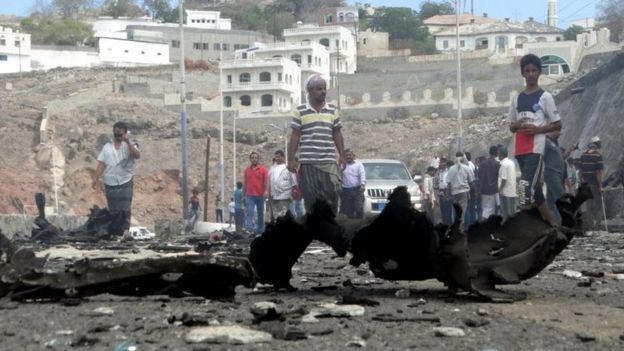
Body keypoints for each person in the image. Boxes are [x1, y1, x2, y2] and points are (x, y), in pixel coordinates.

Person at [508, 54, 561, 227]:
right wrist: (516, 124)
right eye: (527, 70)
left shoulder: (545, 97)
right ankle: (553, 224)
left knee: (524, 186)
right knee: (536, 190)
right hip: (520, 148)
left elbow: (557, 124)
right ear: (522, 73)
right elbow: (511, 126)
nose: (531, 74)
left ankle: (527, 227)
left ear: (539, 73)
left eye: (534, 70)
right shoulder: (516, 99)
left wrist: (538, 130)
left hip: (536, 147)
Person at [288, 74, 345, 214]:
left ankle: (330, 230)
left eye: (324, 88)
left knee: (332, 197)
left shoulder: (332, 110)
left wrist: (342, 155)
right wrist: (291, 159)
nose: (323, 91)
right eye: (319, 89)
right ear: (310, 91)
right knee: (312, 202)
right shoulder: (300, 111)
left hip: (328, 162)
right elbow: (295, 136)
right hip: (308, 164)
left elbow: (337, 133)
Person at [92, 121, 141, 238]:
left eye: (120, 134)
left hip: (125, 180)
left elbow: (137, 155)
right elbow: (102, 164)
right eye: (116, 134)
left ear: (125, 133)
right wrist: (95, 179)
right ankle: (115, 232)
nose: (118, 136)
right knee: (113, 209)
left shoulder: (131, 144)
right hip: (110, 181)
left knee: (125, 208)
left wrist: (127, 141)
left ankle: (125, 231)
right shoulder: (107, 147)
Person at [578, 136, 605, 230]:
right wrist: (601, 186)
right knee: (599, 205)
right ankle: (597, 226)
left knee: (588, 206)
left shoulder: (582, 155)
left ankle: (590, 226)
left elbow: (580, 172)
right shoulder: (598, 156)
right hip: (594, 185)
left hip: (586, 185)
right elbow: (599, 172)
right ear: (597, 145)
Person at [447, 152, 475, 230]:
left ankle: (456, 229)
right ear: (463, 158)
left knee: (456, 212)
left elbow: (448, 183)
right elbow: (471, 182)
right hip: (464, 193)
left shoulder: (451, 169)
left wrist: (448, 194)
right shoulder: (467, 168)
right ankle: (466, 229)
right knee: (465, 211)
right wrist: (475, 191)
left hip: (454, 193)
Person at [243, 151, 269, 235]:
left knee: (260, 213)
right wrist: (244, 195)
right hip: (249, 195)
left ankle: (260, 230)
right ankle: (249, 229)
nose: (254, 159)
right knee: (249, 212)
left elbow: (266, 182)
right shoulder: (247, 170)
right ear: (250, 159)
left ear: (258, 159)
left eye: (256, 158)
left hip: (260, 195)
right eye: (252, 158)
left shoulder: (263, 170)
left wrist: (266, 191)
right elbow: (245, 183)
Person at [268, 150, 297, 219]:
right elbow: (269, 182)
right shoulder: (272, 169)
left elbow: (294, 184)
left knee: (283, 216)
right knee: (275, 217)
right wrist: (269, 194)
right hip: (273, 197)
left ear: (283, 157)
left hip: (284, 197)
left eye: (279, 157)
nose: (277, 158)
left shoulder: (288, 168)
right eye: (276, 157)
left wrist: (293, 195)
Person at [340, 149, 366, 219]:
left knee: (359, 209)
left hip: (357, 190)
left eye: (349, 155)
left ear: (353, 156)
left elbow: (362, 174)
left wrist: (362, 184)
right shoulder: (341, 165)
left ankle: (360, 224)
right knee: (348, 211)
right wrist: (342, 167)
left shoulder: (359, 164)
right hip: (346, 191)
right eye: (346, 155)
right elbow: (337, 175)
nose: (348, 157)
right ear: (344, 157)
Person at [478, 145, 501, 220]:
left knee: (485, 208)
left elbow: (479, 176)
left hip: (483, 190)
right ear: (497, 153)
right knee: (491, 209)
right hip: (493, 190)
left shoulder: (482, 164)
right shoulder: (498, 164)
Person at [498, 147, 517, 222]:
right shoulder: (511, 162)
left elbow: (504, 179)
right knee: (512, 213)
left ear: (501, 155)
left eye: (498, 154)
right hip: (512, 191)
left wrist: (499, 190)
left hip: (505, 193)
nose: (498, 155)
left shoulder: (503, 164)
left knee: (506, 215)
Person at [435, 158, 453, 225]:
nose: (442, 164)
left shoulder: (449, 171)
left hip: (447, 193)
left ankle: (449, 227)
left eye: (443, 162)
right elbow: (436, 185)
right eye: (441, 162)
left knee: (448, 212)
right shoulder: (438, 173)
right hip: (441, 194)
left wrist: (448, 193)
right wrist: (436, 197)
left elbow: (450, 183)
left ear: (446, 163)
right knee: (443, 213)